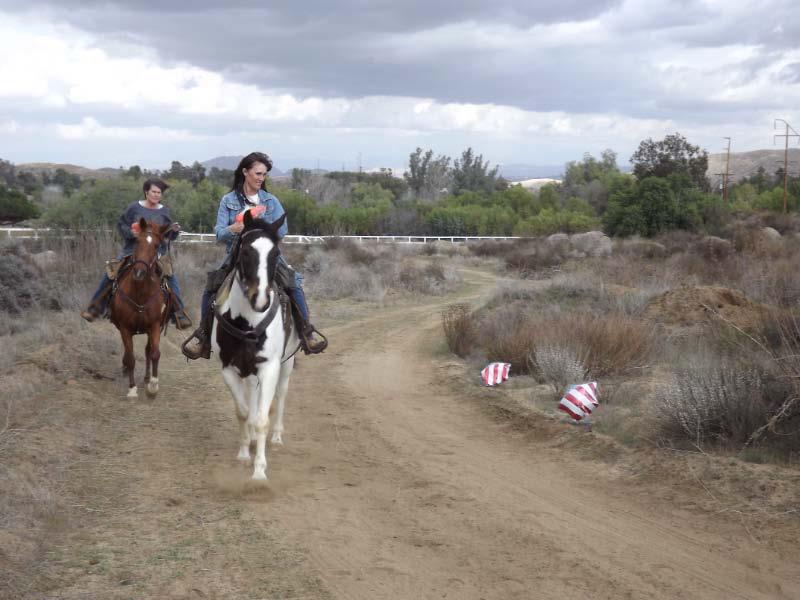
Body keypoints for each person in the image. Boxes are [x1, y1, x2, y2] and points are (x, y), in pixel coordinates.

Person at [181, 151, 327, 360]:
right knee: (211, 287)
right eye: (258, 173)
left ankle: (307, 332)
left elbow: (282, 230)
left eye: (264, 174)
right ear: (245, 172)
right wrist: (233, 228)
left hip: (265, 255)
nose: (261, 178)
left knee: (293, 283)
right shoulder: (228, 200)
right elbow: (219, 234)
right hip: (237, 255)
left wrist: (261, 233)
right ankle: (203, 336)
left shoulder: (271, 201)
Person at [80, 178, 192, 329]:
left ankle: (178, 313)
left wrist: (174, 231)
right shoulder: (134, 208)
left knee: (171, 277)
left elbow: (168, 235)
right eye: (153, 191)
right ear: (146, 192)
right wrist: (130, 233)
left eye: (159, 192)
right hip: (132, 250)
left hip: (157, 253)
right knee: (111, 273)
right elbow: (121, 224)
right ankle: (95, 307)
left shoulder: (164, 212)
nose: (156, 195)